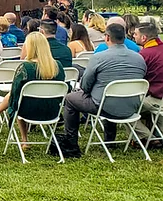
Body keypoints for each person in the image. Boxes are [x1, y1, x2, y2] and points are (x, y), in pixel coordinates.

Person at [60, 23, 147, 154]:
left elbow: (85, 85)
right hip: (132, 105)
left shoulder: (99, 57)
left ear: (107, 37)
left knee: (71, 99)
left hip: (104, 105)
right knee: (108, 96)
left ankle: (71, 141)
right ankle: (109, 140)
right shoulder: (139, 58)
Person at [0, 32, 65, 146]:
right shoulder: (58, 66)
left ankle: (24, 139)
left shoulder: (26, 68)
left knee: (18, 98)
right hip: (52, 111)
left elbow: (15, 93)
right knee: (22, 97)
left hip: (28, 111)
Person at [133, 23, 163, 145]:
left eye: (135, 34)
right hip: (159, 98)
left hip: (156, 98)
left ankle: (146, 137)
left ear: (144, 38)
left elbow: (136, 80)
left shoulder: (145, 55)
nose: (133, 36)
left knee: (123, 109)